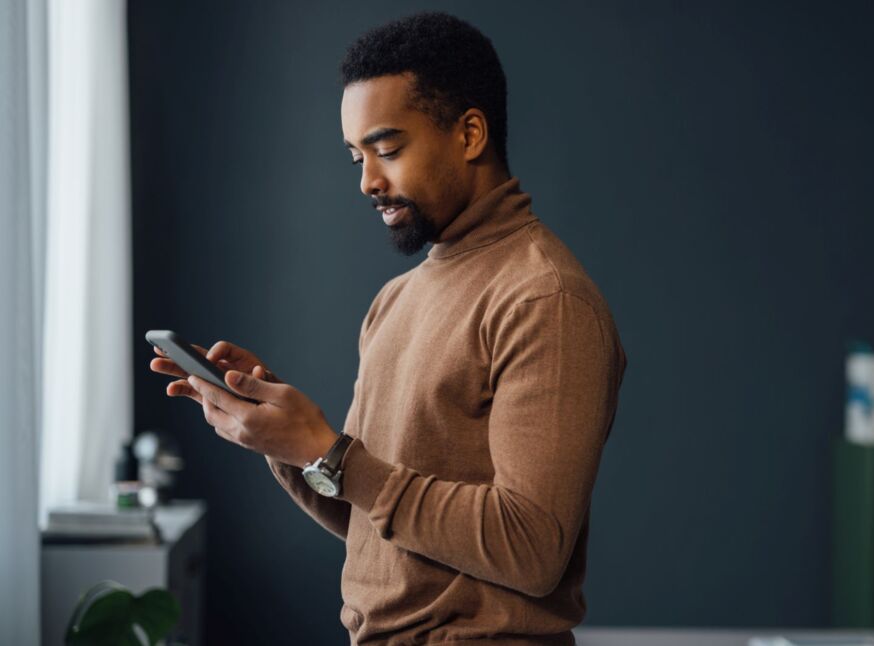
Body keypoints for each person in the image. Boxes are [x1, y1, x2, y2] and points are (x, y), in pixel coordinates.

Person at [147, 11, 626, 646]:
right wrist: (284, 444)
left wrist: (331, 452)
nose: (370, 181)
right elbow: (384, 525)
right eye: (356, 158)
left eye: (388, 148)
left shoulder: (545, 298)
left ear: (471, 133)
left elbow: (530, 548)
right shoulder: (395, 300)